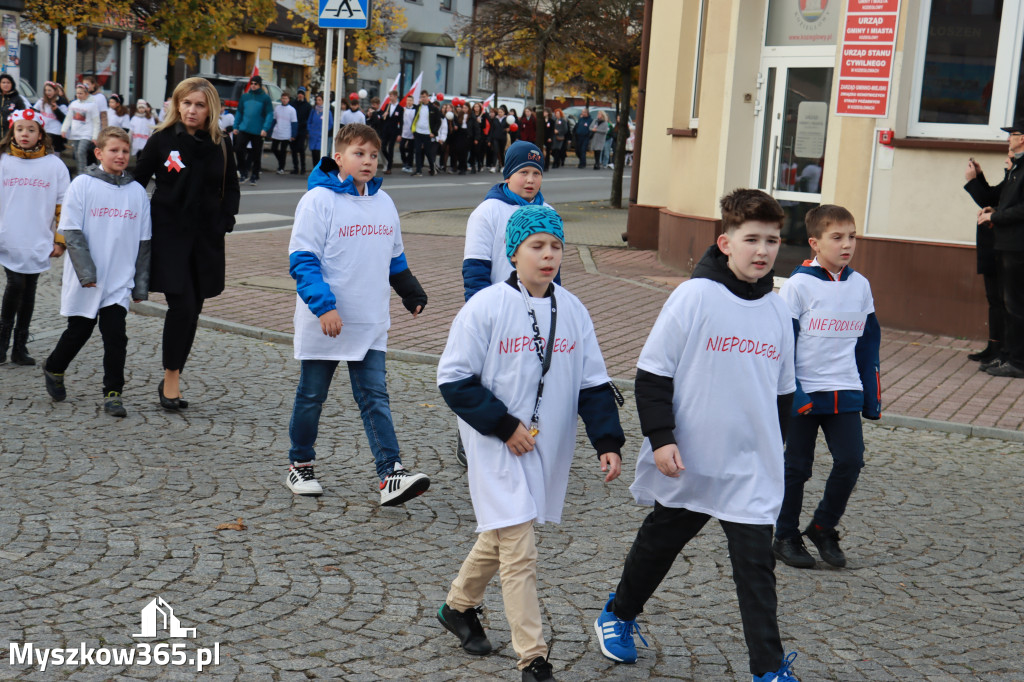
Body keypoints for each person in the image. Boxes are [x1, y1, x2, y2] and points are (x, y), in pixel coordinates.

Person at [592, 188, 803, 682]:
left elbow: (784, 393)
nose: (763, 251)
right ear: (725, 241)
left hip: (748, 467)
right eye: (752, 239)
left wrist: (774, 446)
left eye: (772, 241)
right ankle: (618, 614)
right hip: (690, 457)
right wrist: (662, 438)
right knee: (660, 544)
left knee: (756, 568)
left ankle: (769, 672)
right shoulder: (694, 296)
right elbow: (652, 374)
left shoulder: (778, 310)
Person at [436, 204, 624, 682]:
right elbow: (454, 380)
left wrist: (607, 439)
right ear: (514, 253)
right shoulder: (485, 307)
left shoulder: (573, 309)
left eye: (556, 246)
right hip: (494, 441)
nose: (548, 255)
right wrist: (502, 425)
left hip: (543, 442)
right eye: (537, 246)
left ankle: (458, 606)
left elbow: (593, 382)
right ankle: (533, 658)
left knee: (501, 532)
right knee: (519, 547)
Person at [285, 122, 430, 502]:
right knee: (312, 396)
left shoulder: (384, 202)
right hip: (327, 322)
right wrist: (324, 307)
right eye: (358, 153)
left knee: (374, 397)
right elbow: (303, 261)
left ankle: (390, 474)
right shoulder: (318, 201)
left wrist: (409, 291)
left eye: (372, 154)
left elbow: (393, 256)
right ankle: (300, 465)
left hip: (369, 320)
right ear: (339, 158)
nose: (367, 161)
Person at [771, 205, 881, 570]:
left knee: (851, 461)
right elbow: (783, 347)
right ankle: (785, 535)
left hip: (845, 390)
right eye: (837, 237)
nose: (847, 244)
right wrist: (795, 393)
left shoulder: (860, 285)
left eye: (852, 236)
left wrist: (871, 394)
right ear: (814, 243)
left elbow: (868, 345)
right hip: (804, 394)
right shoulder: (797, 286)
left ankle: (822, 527)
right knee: (796, 468)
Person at [134, 77, 240, 410]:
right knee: (181, 307)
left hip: (207, 240)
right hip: (170, 238)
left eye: (199, 104)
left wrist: (226, 220)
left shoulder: (221, 143)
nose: (191, 110)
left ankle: (173, 378)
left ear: (210, 108)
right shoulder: (161, 140)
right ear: (176, 105)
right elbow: (136, 183)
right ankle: (170, 383)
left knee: (194, 309)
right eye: (186, 103)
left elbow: (232, 187)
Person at [42, 127, 151, 417]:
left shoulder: (137, 192)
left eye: (125, 151)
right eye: (114, 150)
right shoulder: (83, 185)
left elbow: (144, 242)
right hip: (86, 276)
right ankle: (54, 367)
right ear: (99, 153)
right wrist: (87, 273)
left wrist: (140, 285)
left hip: (118, 279)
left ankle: (113, 393)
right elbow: (72, 231)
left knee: (116, 335)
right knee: (79, 330)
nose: (120, 156)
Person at [0, 109, 71, 365]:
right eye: (20, 129)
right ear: (12, 133)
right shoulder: (4, 162)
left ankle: (20, 347)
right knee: (15, 284)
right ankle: (1, 342)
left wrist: (59, 240)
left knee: (29, 290)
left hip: (37, 238)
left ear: (41, 134)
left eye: (31, 129)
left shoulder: (54, 165)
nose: (25, 134)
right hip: (9, 237)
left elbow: (65, 205)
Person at [965, 119, 1024, 378]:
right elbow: (996, 198)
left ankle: (1017, 360)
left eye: (1012, 135)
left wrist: (995, 217)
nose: (1008, 141)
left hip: (1017, 246)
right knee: (1007, 304)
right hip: (1005, 244)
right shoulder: (1016, 170)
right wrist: (977, 180)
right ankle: (1006, 355)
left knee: (1015, 306)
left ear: (1022, 138)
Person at [463, 141, 552, 301]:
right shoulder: (487, 212)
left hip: (538, 308)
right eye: (523, 172)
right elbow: (475, 270)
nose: (530, 179)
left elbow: (554, 273)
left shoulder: (549, 214)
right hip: (500, 308)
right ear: (508, 176)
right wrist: (480, 312)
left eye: (536, 173)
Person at [234, 74, 273, 187]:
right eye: (251, 83)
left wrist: (265, 128)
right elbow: (239, 112)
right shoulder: (245, 97)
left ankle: (255, 175)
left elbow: (269, 114)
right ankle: (243, 171)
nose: (253, 85)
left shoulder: (265, 98)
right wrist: (236, 126)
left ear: (260, 85)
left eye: (255, 84)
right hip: (244, 128)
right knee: (238, 149)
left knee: (256, 154)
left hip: (258, 131)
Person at [61, 84, 100, 175]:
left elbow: (96, 122)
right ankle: (80, 171)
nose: (79, 95)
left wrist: (95, 136)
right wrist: (64, 129)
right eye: (77, 93)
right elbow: (68, 117)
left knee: (81, 152)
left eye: (81, 93)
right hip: (75, 133)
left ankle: (83, 172)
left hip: (87, 133)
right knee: (76, 154)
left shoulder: (92, 105)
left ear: (86, 93)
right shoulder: (73, 104)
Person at [32, 81, 69, 155]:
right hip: (45, 129)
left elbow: (65, 119)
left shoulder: (61, 102)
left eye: (49, 90)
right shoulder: (42, 101)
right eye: (46, 90)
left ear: (55, 91)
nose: (47, 92)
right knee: (44, 150)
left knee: (54, 152)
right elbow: (33, 111)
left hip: (56, 131)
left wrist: (56, 110)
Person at [411, 90, 441, 177]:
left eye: (424, 97)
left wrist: (434, 133)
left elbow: (438, 122)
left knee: (428, 152)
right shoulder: (418, 107)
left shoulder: (433, 108)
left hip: (427, 133)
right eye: (421, 97)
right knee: (418, 151)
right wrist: (413, 130)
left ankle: (432, 168)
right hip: (418, 132)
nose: (423, 98)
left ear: (428, 97)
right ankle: (418, 170)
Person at [271, 91, 297, 175]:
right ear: (281, 99)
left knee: (283, 151)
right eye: (283, 98)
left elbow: (294, 123)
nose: (284, 100)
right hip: (277, 132)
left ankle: (281, 167)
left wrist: (293, 135)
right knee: (274, 148)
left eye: (286, 98)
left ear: (288, 100)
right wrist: (270, 131)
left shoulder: (292, 110)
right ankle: (281, 161)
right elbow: (274, 120)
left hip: (286, 133)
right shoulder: (277, 108)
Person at [378, 90, 403, 175]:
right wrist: (383, 115)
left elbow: (401, 122)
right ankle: (390, 160)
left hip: (394, 131)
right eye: (390, 96)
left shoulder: (400, 108)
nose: (390, 98)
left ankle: (389, 168)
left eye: (391, 96)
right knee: (383, 147)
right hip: (386, 130)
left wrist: (400, 133)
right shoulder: (387, 106)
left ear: (396, 96)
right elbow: (383, 118)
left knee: (391, 148)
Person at [306, 93, 333, 170]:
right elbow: (309, 121)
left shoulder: (327, 111)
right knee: (313, 153)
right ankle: (315, 169)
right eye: (317, 100)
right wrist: (309, 130)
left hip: (321, 135)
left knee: (318, 153)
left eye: (319, 100)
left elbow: (330, 124)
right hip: (313, 134)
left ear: (323, 101)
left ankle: (319, 170)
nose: (318, 101)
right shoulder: (313, 110)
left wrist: (324, 131)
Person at [290, 86, 312, 175]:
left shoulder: (307, 106)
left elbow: (309, 119)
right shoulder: (293, 104)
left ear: (304, 95)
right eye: (299, 93)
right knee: (293, 149)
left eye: (302, 94)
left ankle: (303, 168)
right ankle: (295, 168)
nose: (300, 95)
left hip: (302, 130)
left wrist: (307, 130)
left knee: (301, 149)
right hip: (294, 129)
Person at [488, 106, 508, 173]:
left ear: (504, 112)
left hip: (502, 138)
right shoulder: (495, 119)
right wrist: (489, 140)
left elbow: (510, 128)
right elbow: (492, 130)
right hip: (495, 137)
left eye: (501, 112)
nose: (500, 113)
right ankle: (493, 166)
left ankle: (503, 166)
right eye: (499, 112)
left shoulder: (507, 119)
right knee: (495, 151)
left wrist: (508, 130)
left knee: (502, 152)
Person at [399, 103, 415, 172]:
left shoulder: (415, 109)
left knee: (410, 149)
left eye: (411, 100)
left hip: (412, 132)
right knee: (401, 147)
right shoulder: (404, 109)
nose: (409, 101)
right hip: (404, 132)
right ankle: (405, 161)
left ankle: (409, 165)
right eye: (408, 100)